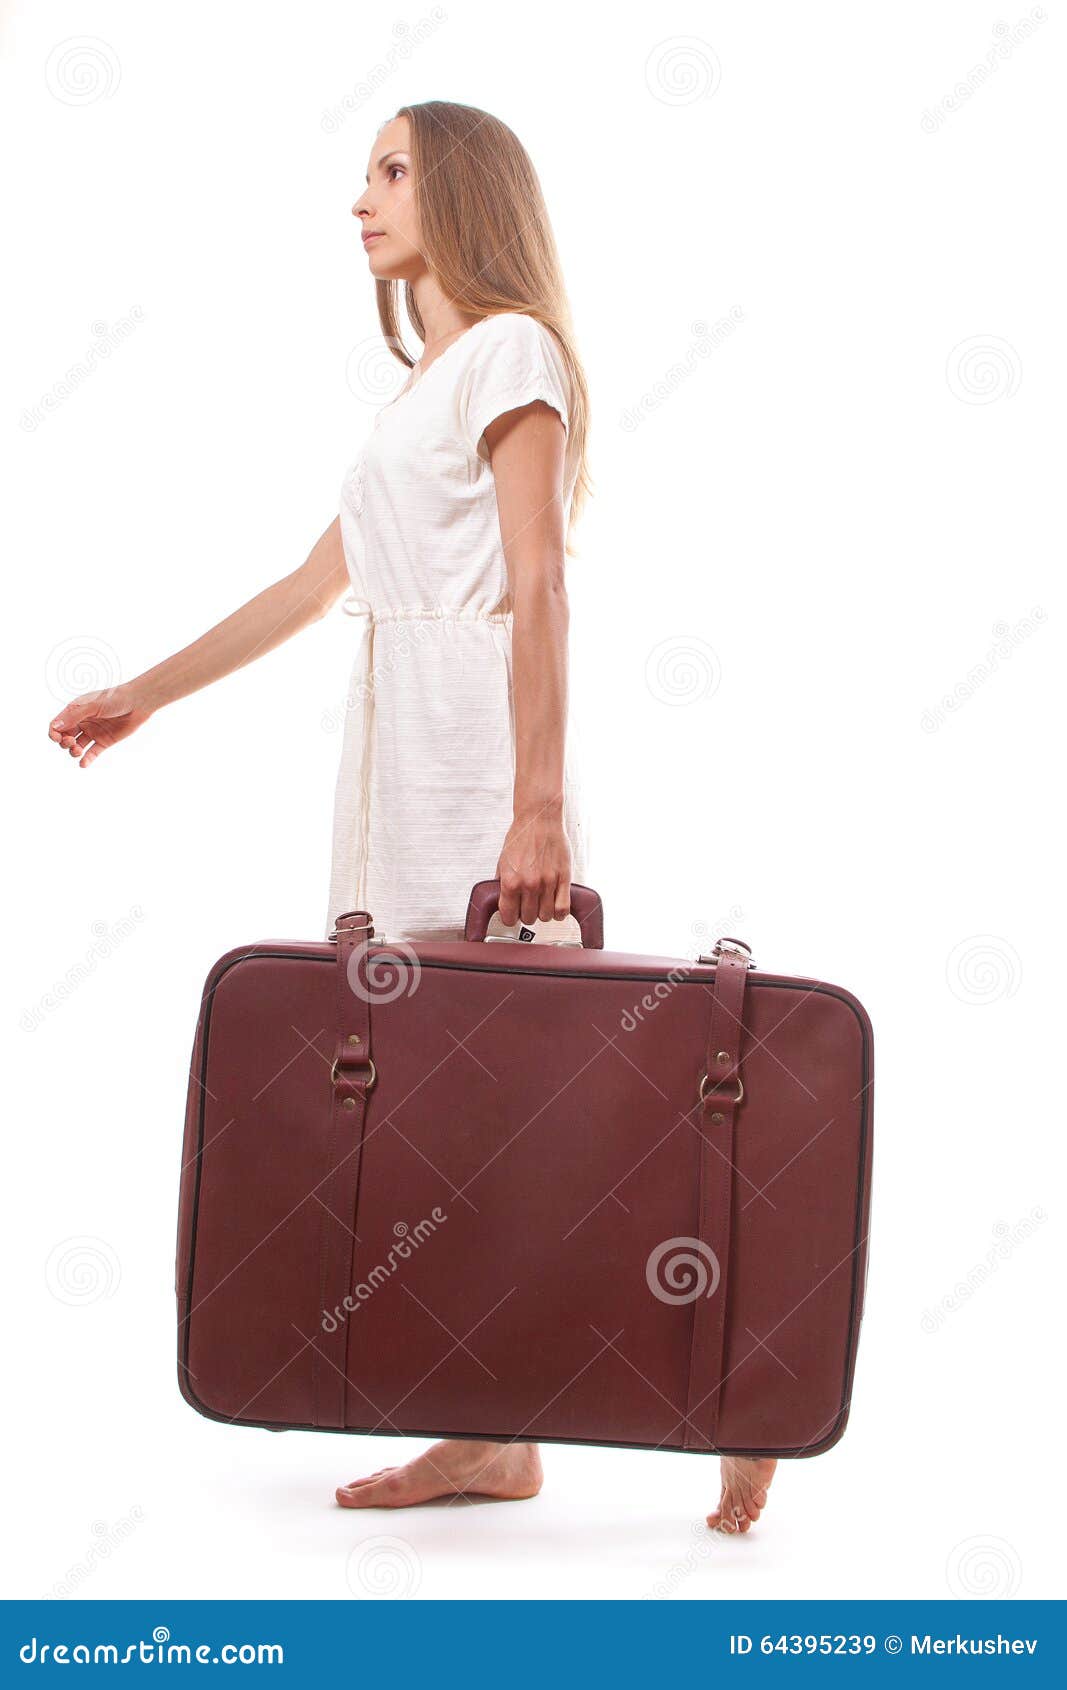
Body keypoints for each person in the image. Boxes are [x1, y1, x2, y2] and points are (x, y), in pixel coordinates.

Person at [47, 98, 774, 1534]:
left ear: (460, 191)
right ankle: (490, 1436)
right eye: (363, 172)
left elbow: (541, 576)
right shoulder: (418, 392)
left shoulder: (511, 352)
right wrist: (145, 692)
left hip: (475, 761)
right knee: (458, 1124)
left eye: (392, 171)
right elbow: (311, 588)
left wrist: (542, 803)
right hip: (397, 759)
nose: (362, 199)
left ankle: (743, 1390)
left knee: (556, 1110)